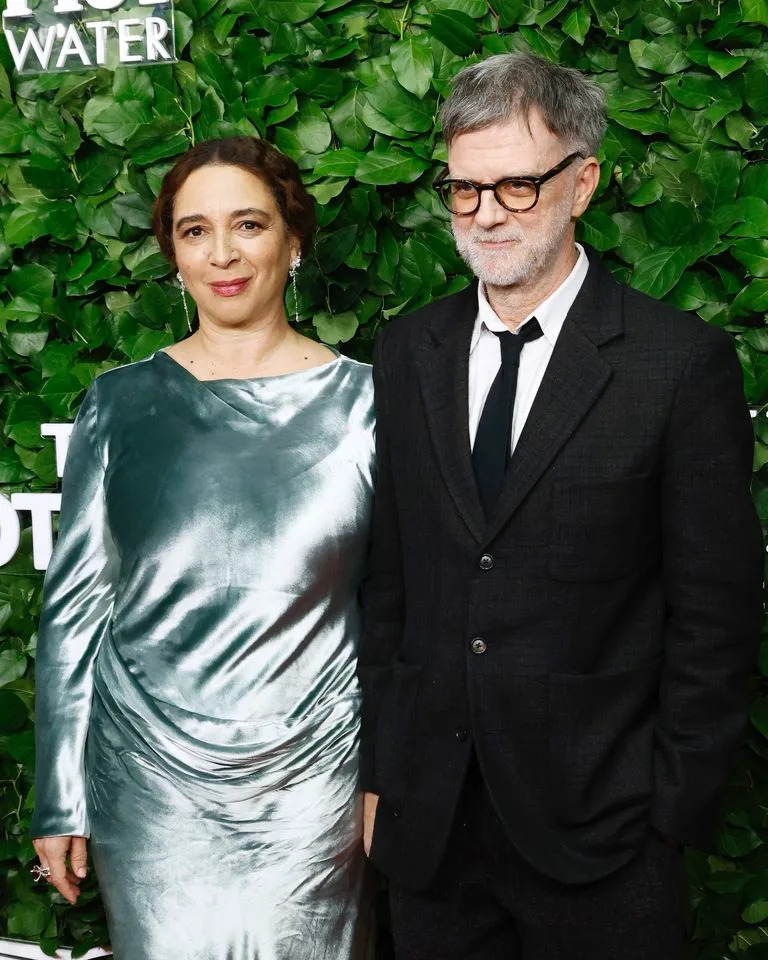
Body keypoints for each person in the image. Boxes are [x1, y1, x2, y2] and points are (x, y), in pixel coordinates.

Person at [359, 52, 764, 960]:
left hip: (607, 841)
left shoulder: (676, 365)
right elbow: (393, 582)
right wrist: (384, 774)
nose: (487, 213)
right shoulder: (408, 352)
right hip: (432, 836)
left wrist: (671, 811)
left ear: (582, 182)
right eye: (465, 190)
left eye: (516, 185)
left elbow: (717, 615)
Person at [30, 136, 375, 960]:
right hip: (149, 793)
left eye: (248, 224)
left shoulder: (369, 406)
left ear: (294, 243)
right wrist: (59, 796)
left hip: (315, 792)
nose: (222, 253)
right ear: (172, 254)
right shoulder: (118, 404)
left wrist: (391, 782)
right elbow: (75, 611)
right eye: (194, 231)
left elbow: (407, 612)